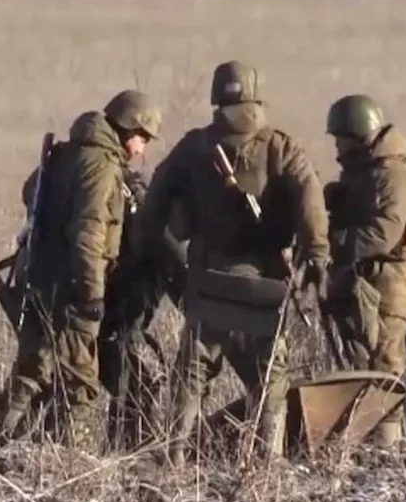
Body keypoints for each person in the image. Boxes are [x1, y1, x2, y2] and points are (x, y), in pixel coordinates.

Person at [134, 60, 330, 466]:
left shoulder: (194, 147)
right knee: (270, 378)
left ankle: (174, 458)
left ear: (216, 97)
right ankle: (268, 463)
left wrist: (147, 248)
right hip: (266, 284)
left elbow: (154, 204)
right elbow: (312, 203)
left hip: (211, 281)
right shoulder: (282, 147)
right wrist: (315, 255)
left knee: (191, 375)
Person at [0, 89, 163, 450]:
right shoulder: (101, 167)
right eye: (142, 138)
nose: (142, 150)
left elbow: (30, 192)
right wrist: (92, 294)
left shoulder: (67, 153)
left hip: (39, 278)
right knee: (80, 385)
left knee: (33, 366)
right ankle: (73, 466)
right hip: (72, 288)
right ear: (127, 129)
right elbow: (89, 233)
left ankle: (0, 443)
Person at [321, 94, 406, 447]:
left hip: (391, 280)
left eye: (340, 137)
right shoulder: (366, 173)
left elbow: (383, 233)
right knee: (362, 360)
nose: (336, 145)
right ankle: (366, 439)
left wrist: (333, 240)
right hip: (368, 277)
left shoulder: (392, 174)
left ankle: (387, 445)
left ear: (358, 134)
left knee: (384, 362)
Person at [97, 165, 188, 453]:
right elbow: (183, 285)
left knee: (137, 382)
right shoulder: (159, 233)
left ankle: (124, 452)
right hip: (109, 321)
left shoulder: (144, 219)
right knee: (137, 384)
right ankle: (129, 456)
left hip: (108, 321)